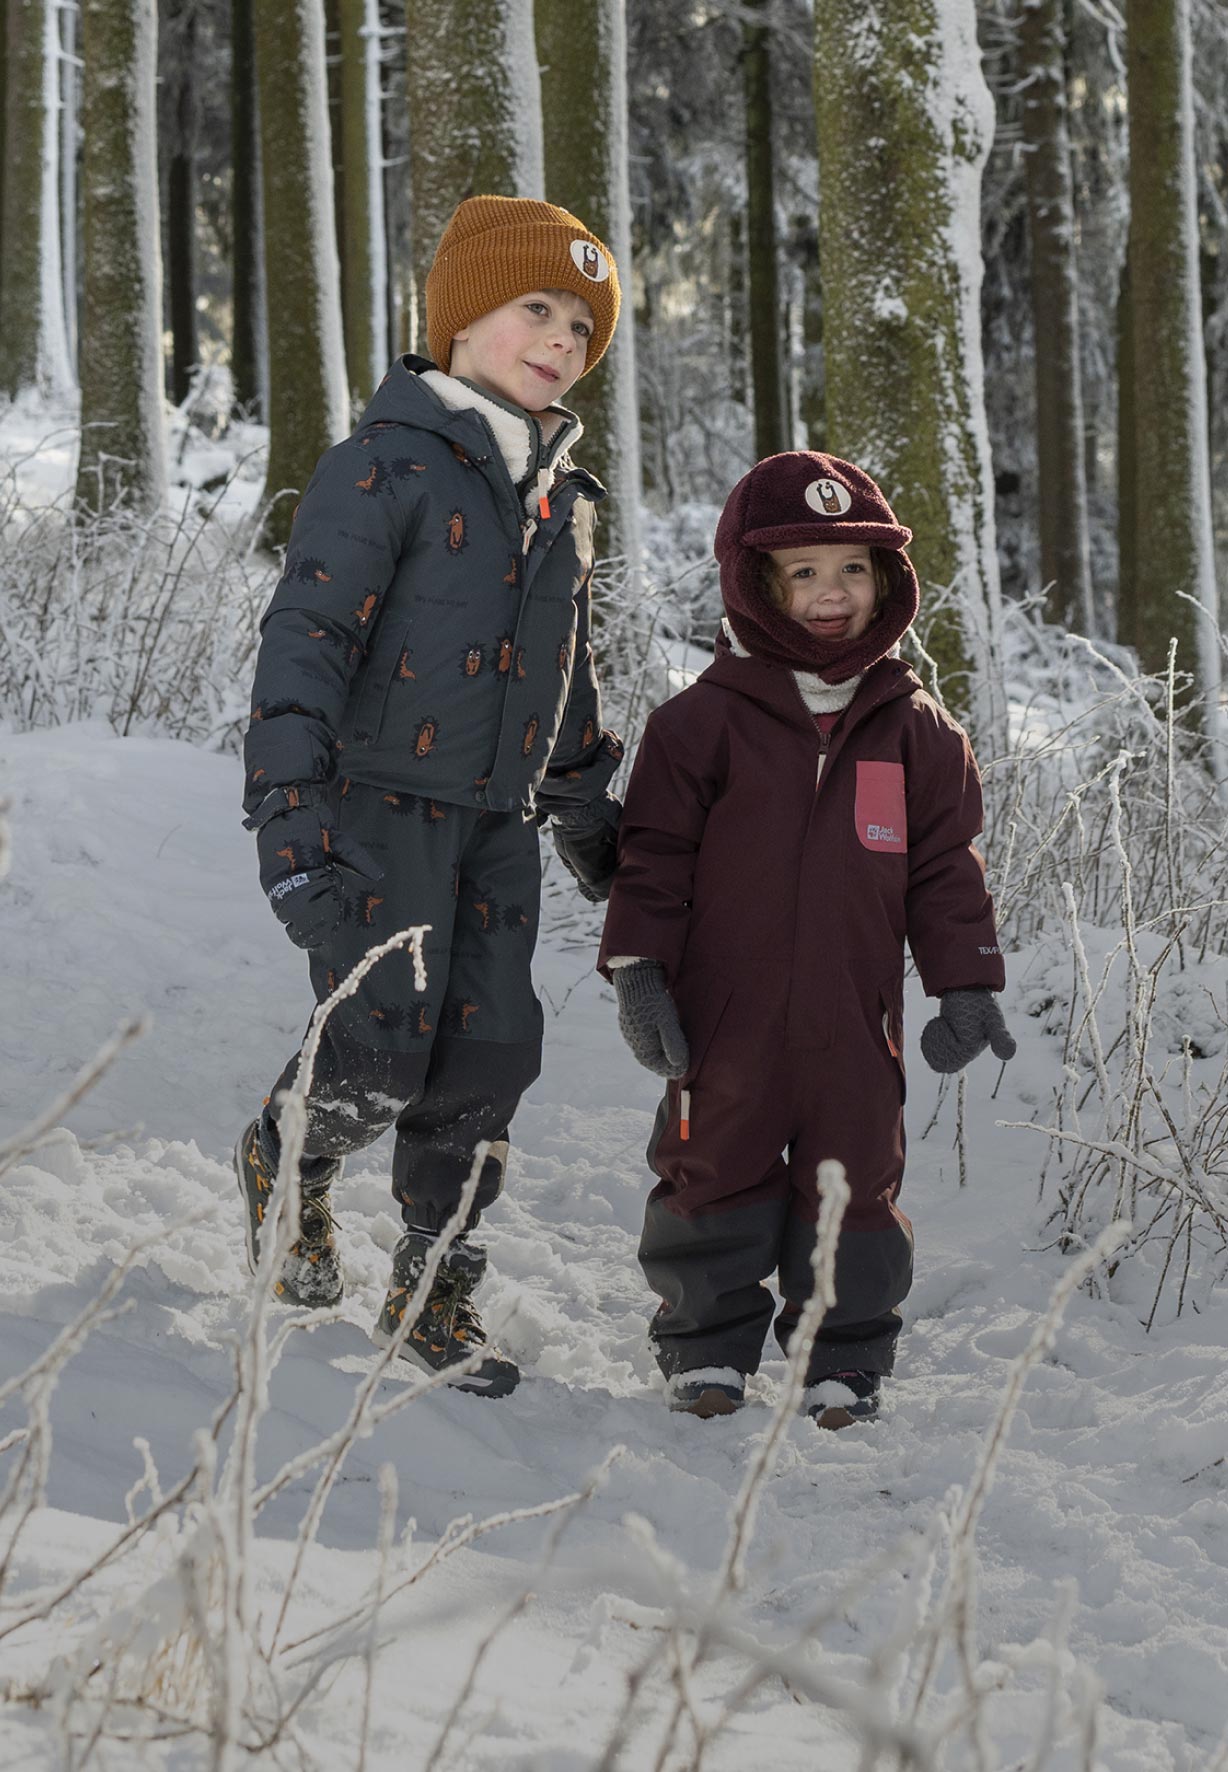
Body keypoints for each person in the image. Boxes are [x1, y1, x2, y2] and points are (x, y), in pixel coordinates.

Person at [236, 195, 626, 1398]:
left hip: (497, 826)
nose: (559, 339)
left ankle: (432, 1275)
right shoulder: (380, 467)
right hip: (376, 807)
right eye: (535, 310)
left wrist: (585, 807)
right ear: (458, 321)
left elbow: (561, 664)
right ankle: (288, 1157)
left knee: (492, 1050)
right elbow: (304, 642)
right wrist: (290, 821)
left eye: (579, 325)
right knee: (384, 1040)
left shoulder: (568, 501)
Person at [599, 451, 1014, 1427]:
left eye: (853, 568)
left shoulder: (917, 732)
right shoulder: (699, 725)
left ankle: (843, 1355)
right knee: (712, 1166)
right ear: (759, 584)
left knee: (856, 1178)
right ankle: (706, 1347)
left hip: (852, 1015)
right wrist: (638, 969)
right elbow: (652, 856)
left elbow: (945, 867)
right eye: (803, 572)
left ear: (886, 581)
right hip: (725, 1014)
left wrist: (965, 981)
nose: (832, 593)